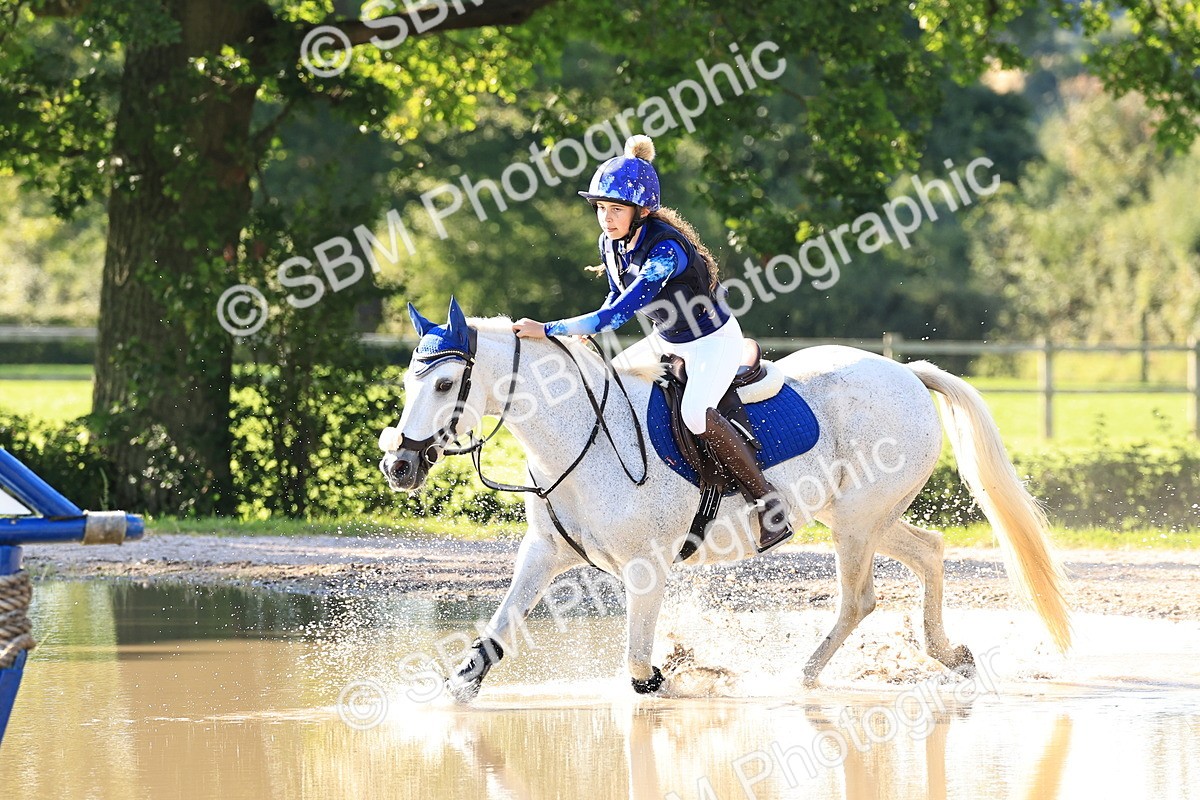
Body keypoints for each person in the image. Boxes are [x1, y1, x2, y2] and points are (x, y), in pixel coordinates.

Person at [512, 135, 793, 553]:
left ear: (642, 211)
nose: (606, 219)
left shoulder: (665, 251)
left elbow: (619, 314)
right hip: (666, 339)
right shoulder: (611, 241)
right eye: (601, 209)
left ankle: (768, 502)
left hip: (712, 342)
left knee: (696, 414)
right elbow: (612, 297)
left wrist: (549, 328)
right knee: (610, 391)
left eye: (616, 210)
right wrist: (584, 329)